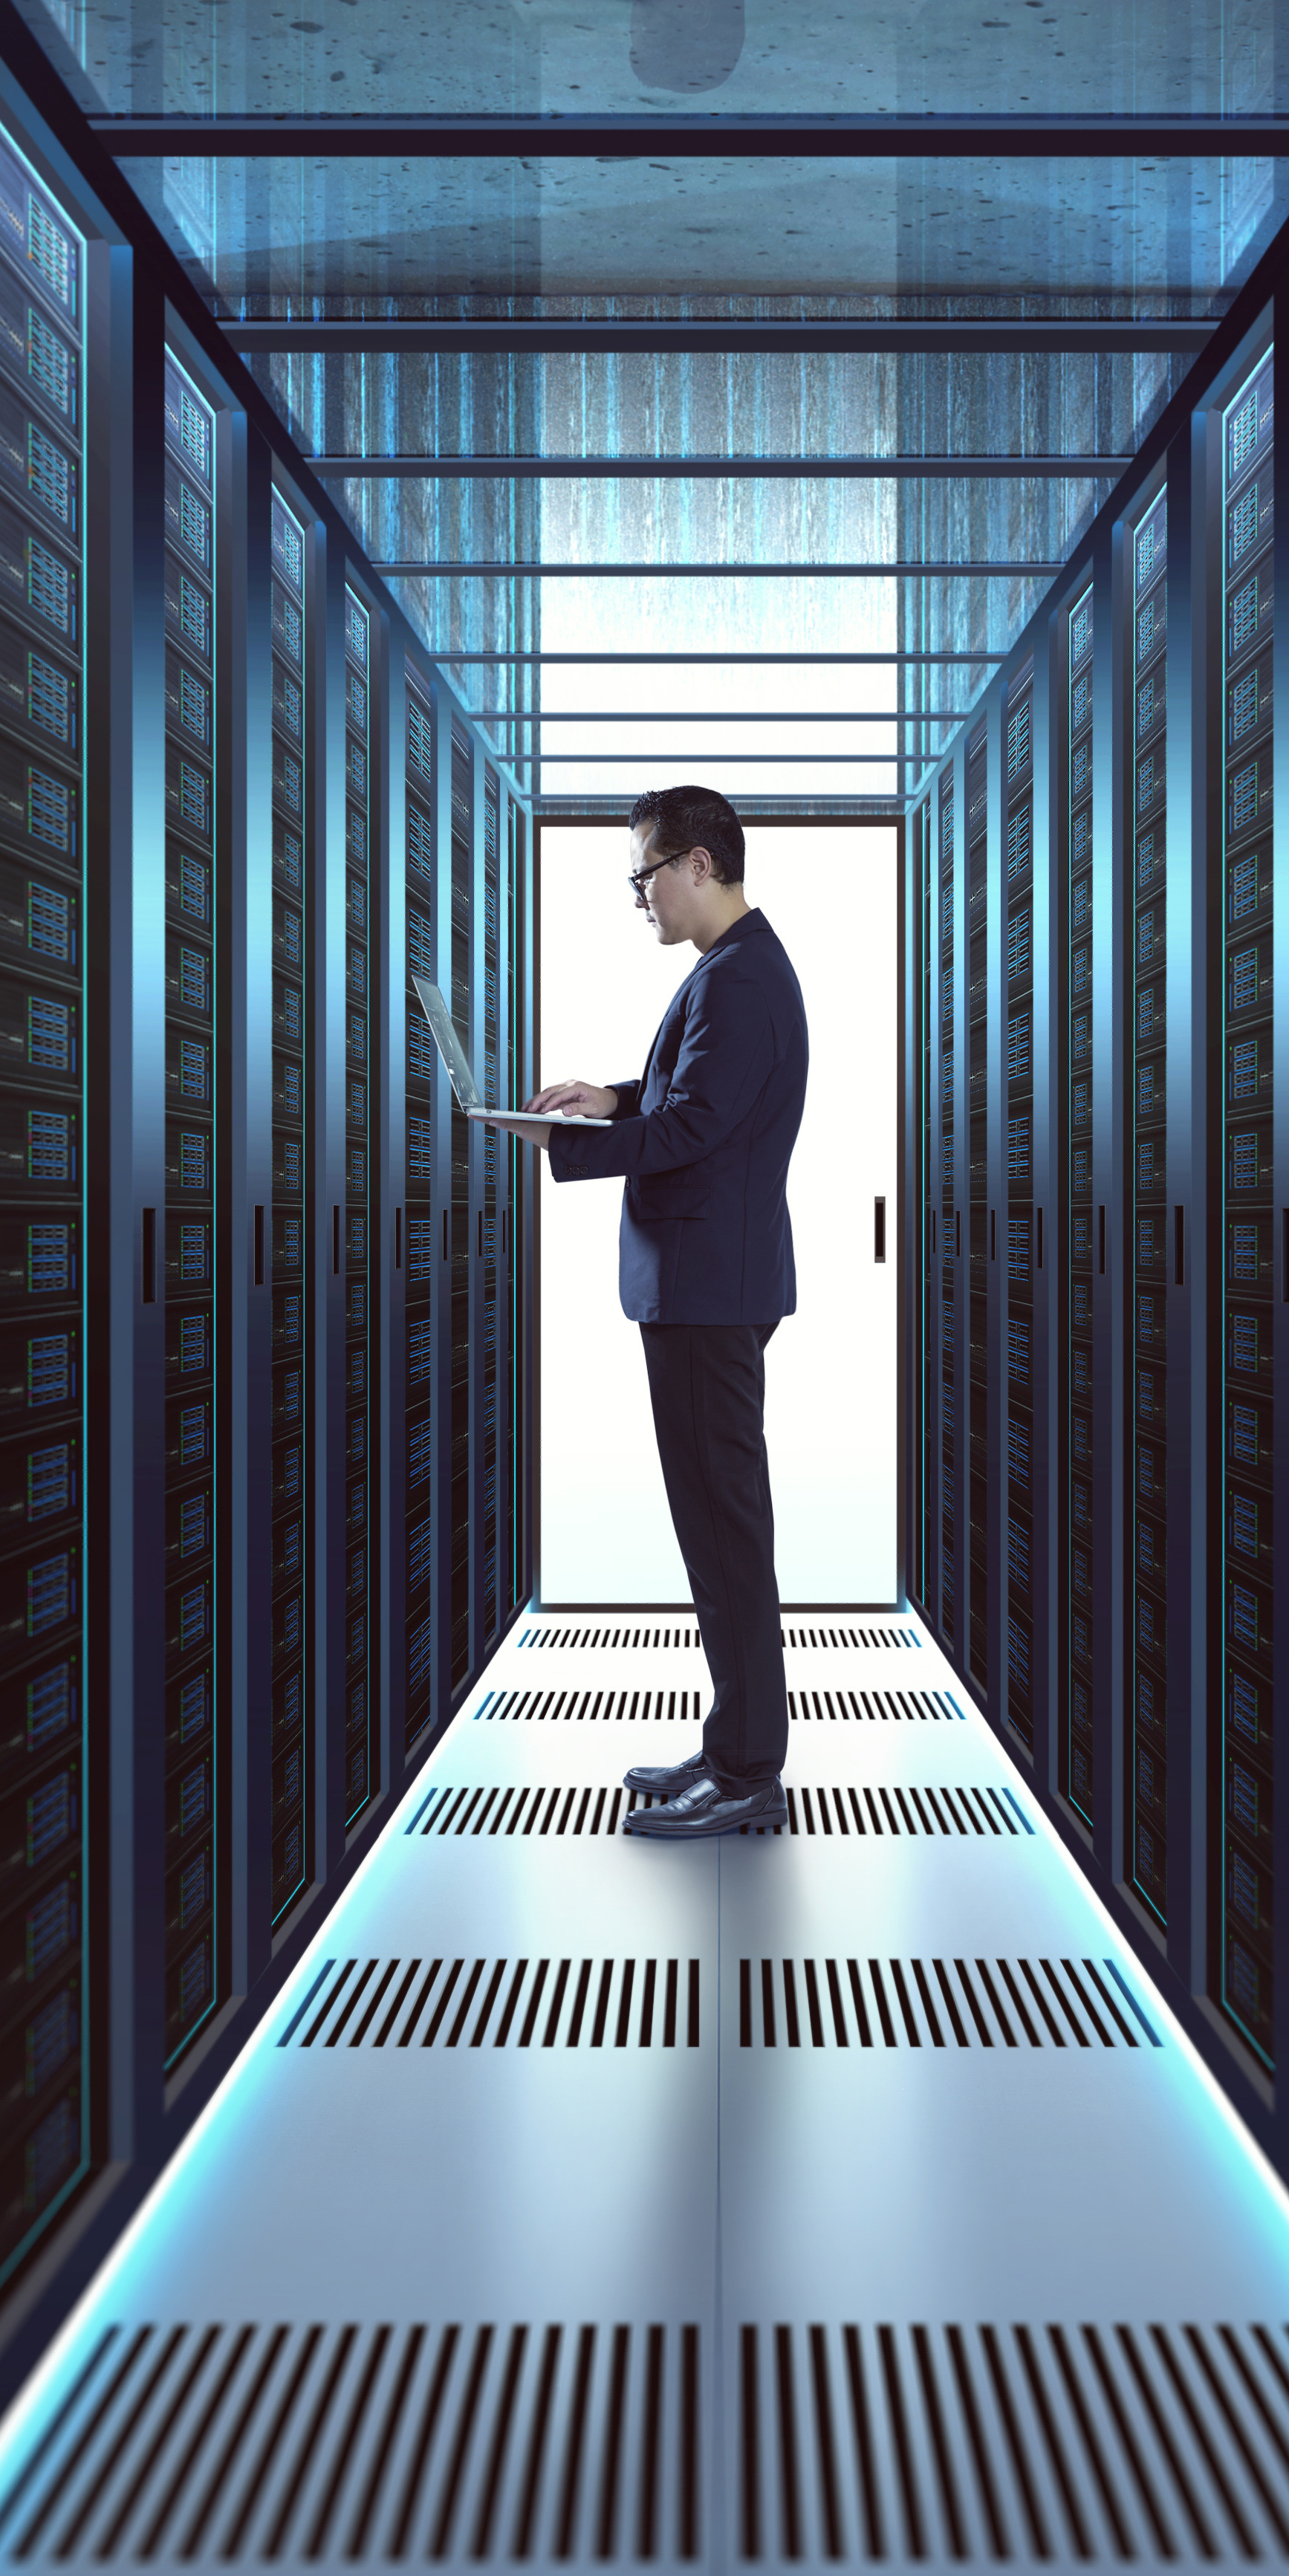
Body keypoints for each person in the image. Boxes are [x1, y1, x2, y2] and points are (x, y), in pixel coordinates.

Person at [492, 787, 809, 1838]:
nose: (641, 896)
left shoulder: (744, 978)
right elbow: (684, 1101)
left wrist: (562, 1146)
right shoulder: (732, 973)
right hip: (706, 1287)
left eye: (645, 875)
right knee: (717, 1532)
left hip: (708, 1295)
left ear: (699, 866)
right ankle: (732, 1748)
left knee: (726, 1534)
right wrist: (609, 1096)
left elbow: (694, 1134)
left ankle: (751, 1771)